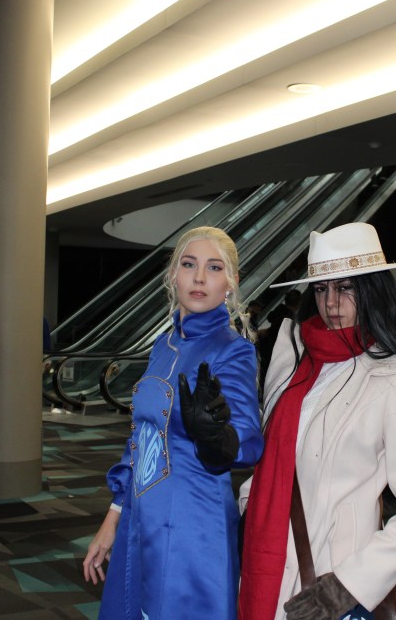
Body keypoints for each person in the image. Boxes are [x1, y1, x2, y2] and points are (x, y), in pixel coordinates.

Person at [238, 222, 396, 620]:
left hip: (331, 578)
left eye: (345, 287)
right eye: (321, 289)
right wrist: (250, 507)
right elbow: (274, 457)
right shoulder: (291, 359)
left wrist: (348, 586)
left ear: (371, 290)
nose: (331, 302)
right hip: (266, 556)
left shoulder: (391, 379)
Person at [82, 226, 264, 620]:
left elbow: (248, 441)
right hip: (140, 518)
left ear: (230, 283)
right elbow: (140, 440)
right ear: (172, 275)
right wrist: (112, 519)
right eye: (189, 264)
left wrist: (216, 436)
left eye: (214, 268)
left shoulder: (233, 351)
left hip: (192, 524)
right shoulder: (162, 346)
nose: (199, 278)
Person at [256, 288, 302, 381]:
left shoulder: (280, 309)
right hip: (274, 350)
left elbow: (270, 319)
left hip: (266, 345)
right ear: (298, 303)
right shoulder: (289, 319)